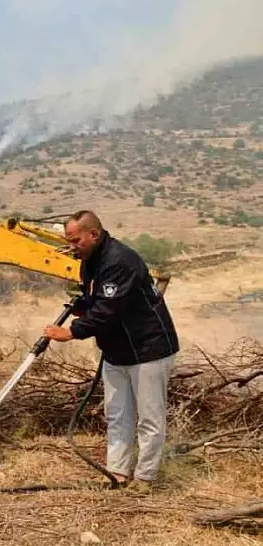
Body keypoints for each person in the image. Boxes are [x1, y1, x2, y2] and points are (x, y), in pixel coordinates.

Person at [42, 210, 179, 494]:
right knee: (118, 414)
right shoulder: (89, 261)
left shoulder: (120, 261)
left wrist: (72, 331)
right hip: (117, 350)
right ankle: (117, 473)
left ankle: (144, 478)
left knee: (149, 418)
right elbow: (97, 300)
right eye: (68, 241)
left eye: (76, 240)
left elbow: (108, 310)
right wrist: (81, 306)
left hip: (148, 348)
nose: (72, 246)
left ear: (94, 234)